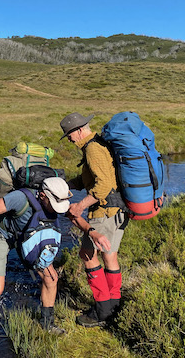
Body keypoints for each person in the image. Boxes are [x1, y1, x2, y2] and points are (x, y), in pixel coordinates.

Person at [0, 177, 72, 334]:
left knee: (51, 278)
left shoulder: (55, 204)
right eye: (54, 205)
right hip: (3, 236)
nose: (57, 210)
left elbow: (74, 217)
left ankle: (47, 324)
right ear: (42, 195)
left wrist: (91, 231)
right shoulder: (20, 198)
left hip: (28, 239)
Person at [60, 112, 127, 327]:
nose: (69, 140)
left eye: (69, 135)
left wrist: (80, 206)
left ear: (79, 130)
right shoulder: (98, 143)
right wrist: (65, 185)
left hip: (104, 211)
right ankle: (113, 305)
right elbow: (90, 178)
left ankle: (101, 311)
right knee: (110, 255)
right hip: (119, 209)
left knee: (88, 255)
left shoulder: (92, 149)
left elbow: (103, 185)